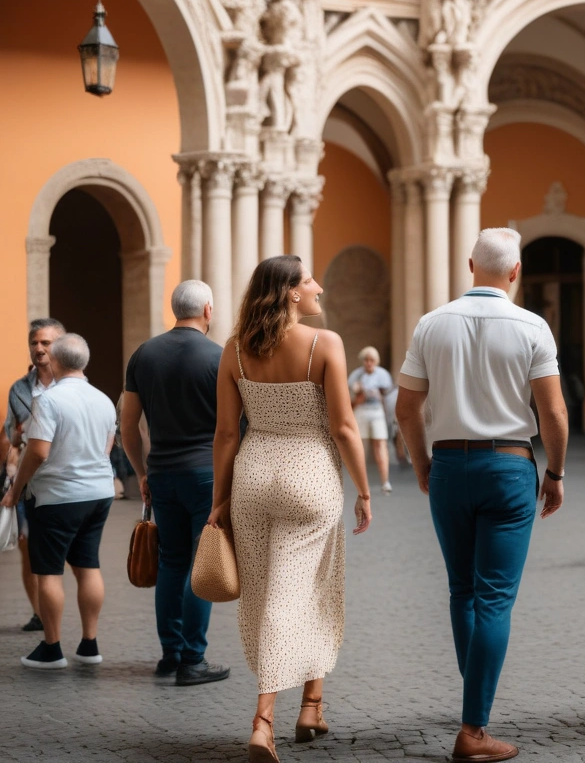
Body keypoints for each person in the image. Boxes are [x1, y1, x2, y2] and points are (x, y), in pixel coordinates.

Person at [396, 227, 568, 762]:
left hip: (448, 463)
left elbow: (406, 409)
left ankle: (477, 696)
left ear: (471, 264)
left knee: (461, 590)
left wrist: (423, 463)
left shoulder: (431, 323)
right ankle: (473, 730)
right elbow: (555, 413)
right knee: (494, 596)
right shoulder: (532, 326)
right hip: (509, 465)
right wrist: (556, 473)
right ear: (515, 272)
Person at [207, 256, 373, 762]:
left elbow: (227, 433)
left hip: (255, 476)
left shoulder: (235, 349)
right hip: (310, 476)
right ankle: (263, 721)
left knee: (272, 593)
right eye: (308, 281)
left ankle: (313, 705)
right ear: (290, 294)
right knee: (300, 591)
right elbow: (344, 427)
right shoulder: (326, 344)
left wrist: (219, 500)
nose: (318, 286)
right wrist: (365, 491)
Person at [120, 280, 230, 685]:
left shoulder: (143, 355)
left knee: (171, 562)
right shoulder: (220, 358)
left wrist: (142, 472)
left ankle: (169, 653)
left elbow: (127, 425)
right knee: (203, 565)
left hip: (162, 473)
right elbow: (235, 428)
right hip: (208, 475)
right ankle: (193, 659)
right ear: (207, 311)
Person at [1, 334, 116, 669]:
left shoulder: (49, 401)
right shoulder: (103, 400)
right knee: (88, 565)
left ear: (55, 361)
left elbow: (37, 451)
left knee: (49, 572)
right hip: (99, 493)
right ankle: (89, 645)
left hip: (57, 496)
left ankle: (52, 649)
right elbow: (106, 448)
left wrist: (15, 489)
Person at [0, 318, 65, 632]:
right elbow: (10, 435)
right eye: (35, 343)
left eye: (46, 343)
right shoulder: (20, 389)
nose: (39, 349)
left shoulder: (75, 385)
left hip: (65, 481)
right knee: (28, 548)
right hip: (27, 481)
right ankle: (40, 614)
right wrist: (11, 470)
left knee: (68, 556)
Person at [348, 346, 394, 494]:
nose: (369, 363)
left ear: (376, 361)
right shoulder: (357, 375)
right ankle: (360, 484)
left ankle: (385, 481)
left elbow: (387, 394)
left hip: (376, 412)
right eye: (366, 360)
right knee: (360, 446)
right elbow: (350, 395)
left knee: (380, 444)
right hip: (361, 411)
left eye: (372, 360)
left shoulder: (382, 375)